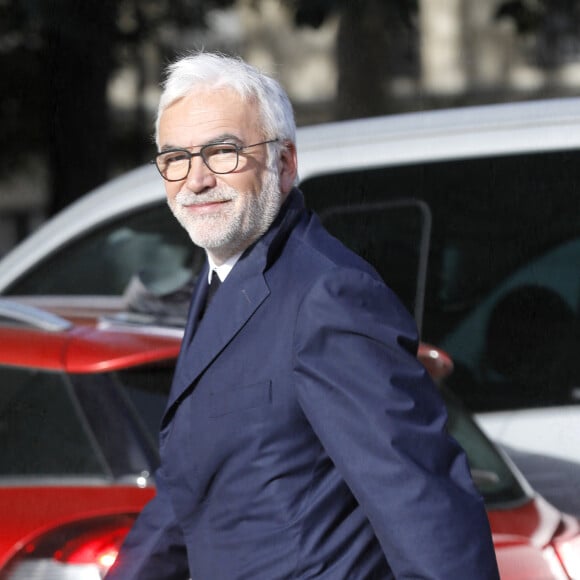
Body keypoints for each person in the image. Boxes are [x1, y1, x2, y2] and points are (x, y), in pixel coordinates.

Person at [106, 51, 499, 579]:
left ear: (284, 162)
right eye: (175, 157)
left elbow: (422, 503)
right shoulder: (223, 276)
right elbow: (191, 489)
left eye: (223, 151)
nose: (195, 180)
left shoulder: (328, 294)